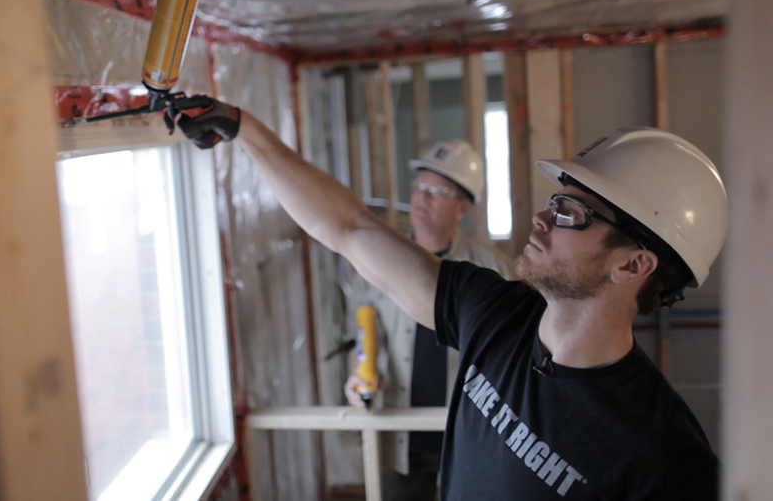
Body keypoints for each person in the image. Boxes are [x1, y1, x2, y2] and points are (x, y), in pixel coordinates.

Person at [166, 96, 723, 499]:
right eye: (556, 200)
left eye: (570, 214)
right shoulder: (496, 314)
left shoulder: (664, 459)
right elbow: (350, 230)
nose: (541, 218)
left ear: (633, 264)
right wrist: (248, 130)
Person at [340, 139, 513, 500]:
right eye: (420, 186)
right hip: (402, 431)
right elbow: (363, 337)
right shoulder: (377, 262)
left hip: (469, 431)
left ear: (462, 206)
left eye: (437, 190)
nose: (422, 197)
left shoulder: (492, 269)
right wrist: (357, 376)